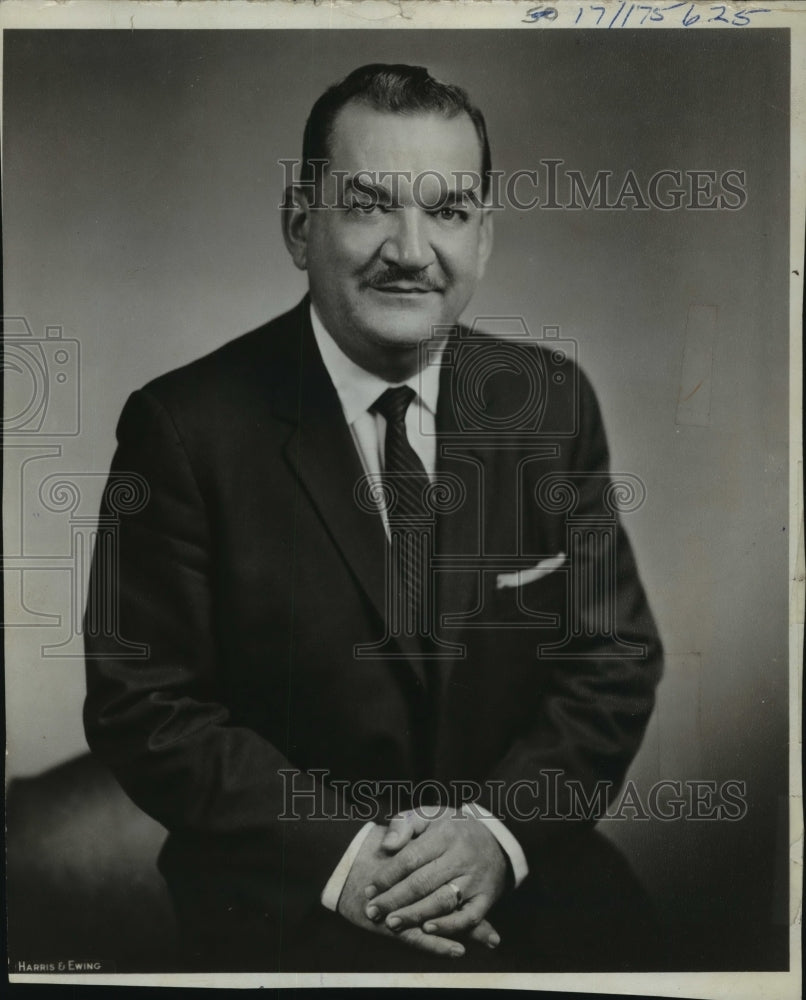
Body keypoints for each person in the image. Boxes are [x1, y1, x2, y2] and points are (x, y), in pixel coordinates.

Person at [83, 63, 664, 973]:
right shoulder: (184, 429)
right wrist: (349, 861)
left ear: (485, 237)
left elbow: (613, 660)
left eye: (449, 210)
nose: (410, 248)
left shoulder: (551, 404)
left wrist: (496, 834)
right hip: (287, 901)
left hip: (524, 882)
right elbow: (144, 705)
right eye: (368, 204)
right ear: (297, 222)